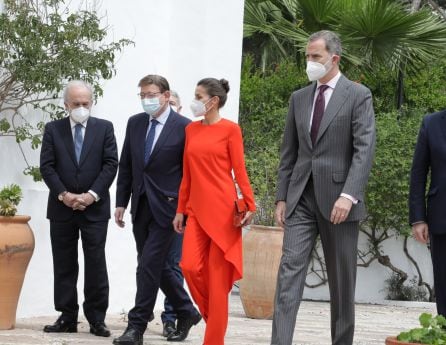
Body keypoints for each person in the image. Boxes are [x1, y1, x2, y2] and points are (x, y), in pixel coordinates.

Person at [271, 30, 376, 345]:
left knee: (343, 284)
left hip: (339, 202)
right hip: (300, 197)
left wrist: (349, 194)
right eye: (307, 56)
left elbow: (364, 149)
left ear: (334, 58)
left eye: (315, 56)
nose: (309, 62)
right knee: (288, 274)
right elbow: (289, 153)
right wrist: (280, 198)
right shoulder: (299, 98)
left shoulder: (358, 95)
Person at [113, 75, 201, 345]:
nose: (146, 100)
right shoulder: (135, 123)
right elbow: (126, 164)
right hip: (140, 205)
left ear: (165, 96)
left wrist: (184, 210)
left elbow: (190, 173)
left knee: (148, 264)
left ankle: (136, 327)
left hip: (169, 209)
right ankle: (186, 311)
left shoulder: (185, 127)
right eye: (142, 95)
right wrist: (121, 202)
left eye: (151, 94)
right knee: (155, 266)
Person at [173, 77, 256, 345]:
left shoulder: (231, 130)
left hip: (223, 212)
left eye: (199, 96)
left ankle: (214, 338)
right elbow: (187, 174)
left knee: (218, 282)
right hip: (196, 210)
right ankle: (214, 320)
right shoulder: (191, 131)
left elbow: (239, 170)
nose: (195, 101)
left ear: (213, 101)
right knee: (188, 266)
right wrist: (180, 210)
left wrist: (250, 204)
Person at [40, 80, 118, 338]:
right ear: (66, 104)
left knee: (96, 263)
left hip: (94, 209)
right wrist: (64, 195)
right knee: (64, 263)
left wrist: (91, 195)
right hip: (62, 208)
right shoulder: (53, 129)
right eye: (76, 104)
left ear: (91, 103)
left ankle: (97, 319)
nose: (82, 107)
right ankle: (67, 316)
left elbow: (110, 164)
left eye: (86, 103)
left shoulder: (104, 128)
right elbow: (47, 166)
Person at [409, 109, 446, 318]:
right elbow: (418, 173)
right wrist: (418, 218)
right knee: (444, 285)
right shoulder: (431, 124)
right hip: (442, 217)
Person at [160, 90, 185, 338]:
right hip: (155, 209)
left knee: (174, 264)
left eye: (174, 104)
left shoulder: (188, 133)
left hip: (179, 209)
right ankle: (143, 312)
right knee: (148, 263)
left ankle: (172, 317)